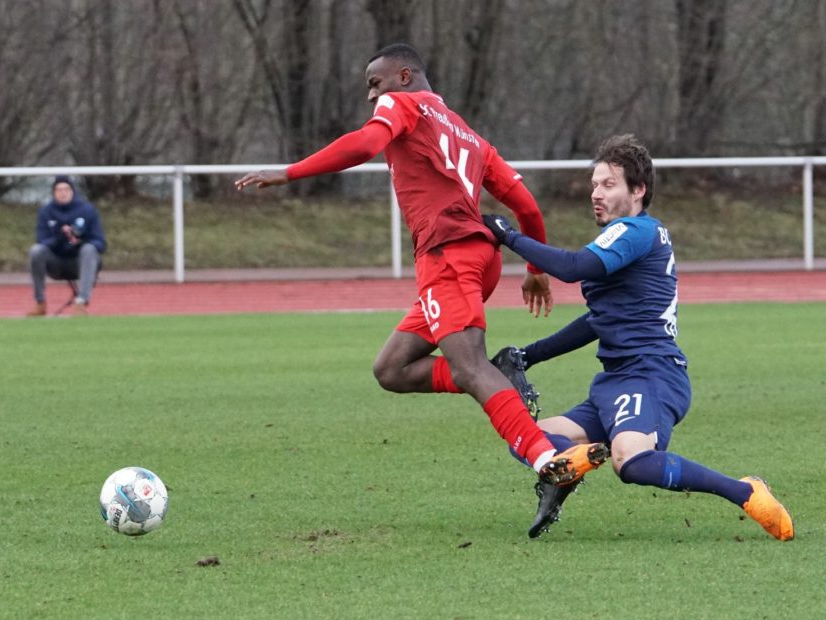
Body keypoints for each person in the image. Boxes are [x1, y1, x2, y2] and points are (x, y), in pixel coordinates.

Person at [236, 43, 603, 497]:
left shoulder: (401, 103)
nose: (373, 97)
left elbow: (367, 143)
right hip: (479, 257)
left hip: (447, 254)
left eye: (375, 83)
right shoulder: (470, 136)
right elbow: (526, 206)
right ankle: (500, 375)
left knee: (469, 367)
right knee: (391, 369)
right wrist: (533, 268)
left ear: (404, 76)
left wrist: (290, 173)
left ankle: (547, 458)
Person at [482, 134, 794, 541]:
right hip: (615, 380)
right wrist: (529, 355)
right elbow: (600, 320)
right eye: (594, 184)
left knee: (632, 463)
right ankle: (570, 466)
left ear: (638, 190)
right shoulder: (627, 237)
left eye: (608, 184)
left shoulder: (636, 231)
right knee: (525, 440)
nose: (596, 193)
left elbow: (574, 267)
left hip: (652, 374)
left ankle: (746, 492)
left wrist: (509, 236)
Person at [27, 175, 106, 316]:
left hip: (79, 261)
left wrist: (79, 240)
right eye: (59, 190)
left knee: (89, 250)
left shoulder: (87, 210)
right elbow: (41, 240)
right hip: (56, 263)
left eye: (66, 189)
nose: (63, 193)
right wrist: (60, 237)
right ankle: (40, 302)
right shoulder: (46, 212)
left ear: (73, 191)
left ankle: (81, 302)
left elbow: (100, 242)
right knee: (36, 251)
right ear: (53, 193)